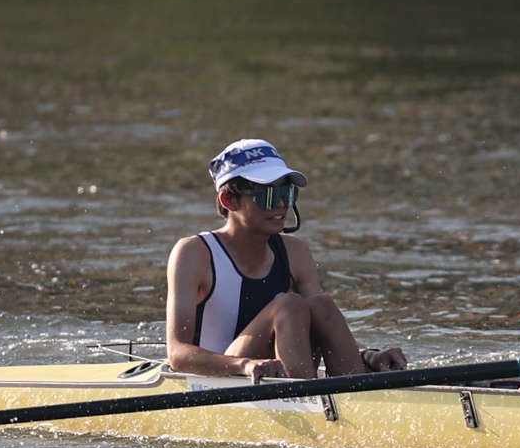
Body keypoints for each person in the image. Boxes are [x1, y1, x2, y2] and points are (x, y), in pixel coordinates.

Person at [165, 141, 406, 380]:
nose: (281, 205)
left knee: (321, 304)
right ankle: (308, 397)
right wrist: (245, 365)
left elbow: (324, 328)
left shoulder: (295, 251)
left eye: (286, 193)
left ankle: (354, 385)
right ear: (229, 200)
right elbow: (177, 355)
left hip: (272, 371)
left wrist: (368, 355)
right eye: (268, 196)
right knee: (288, 305)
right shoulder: (194, 252)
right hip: (218, 375)